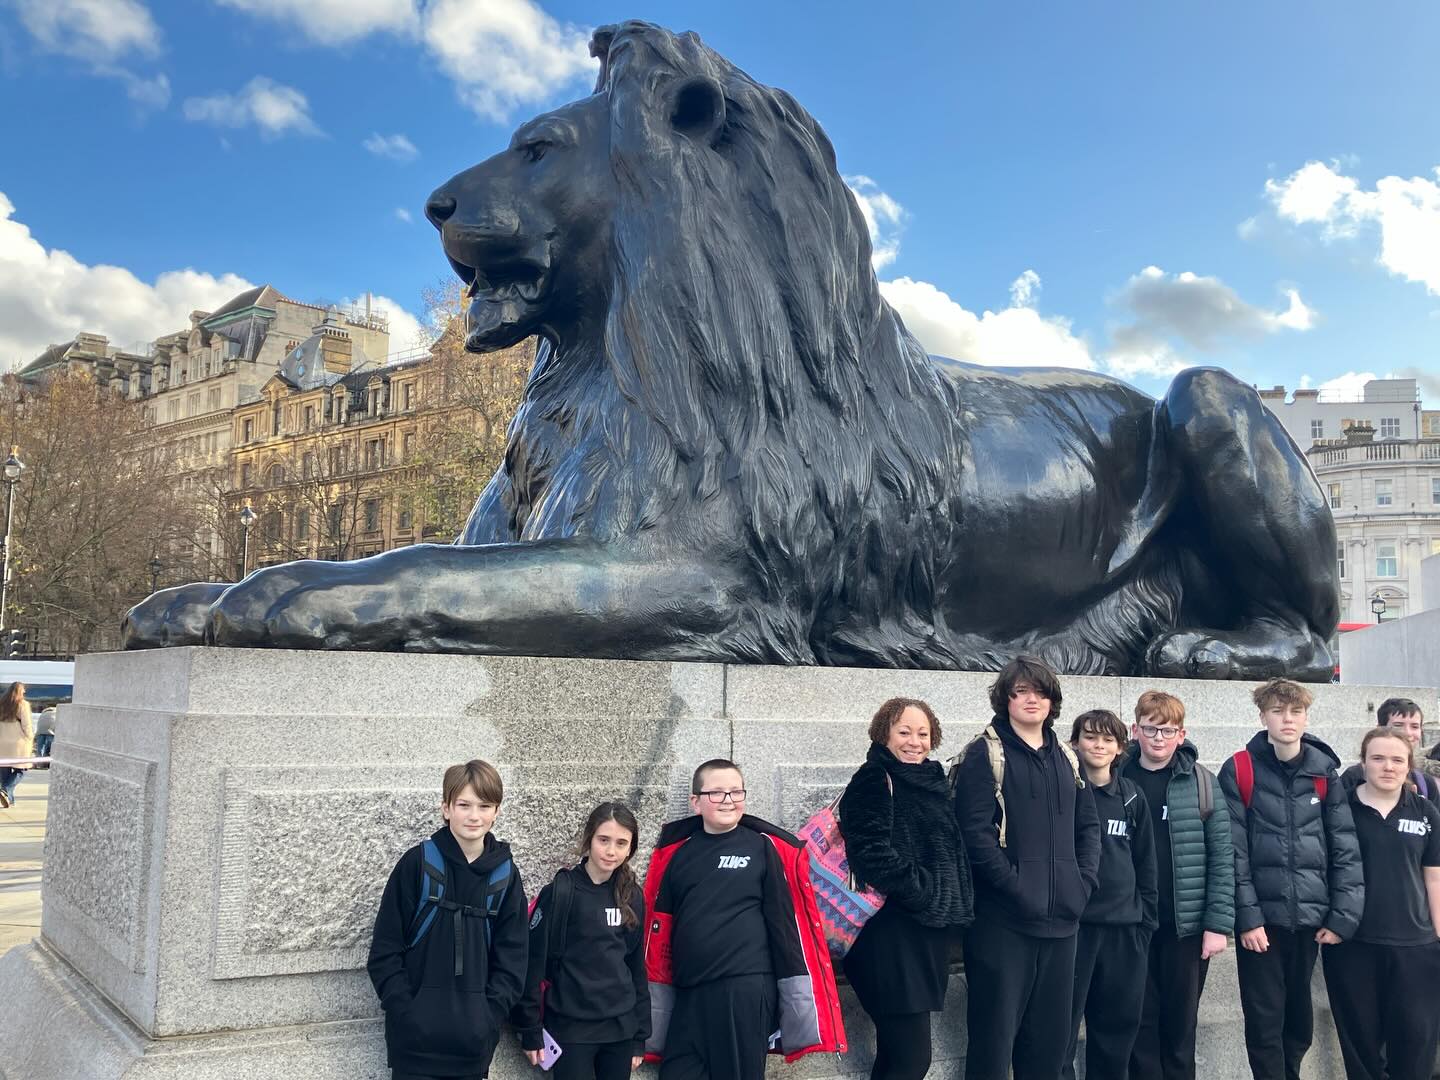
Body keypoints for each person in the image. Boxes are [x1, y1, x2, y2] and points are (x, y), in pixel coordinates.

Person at [642, 758, 843, 1079]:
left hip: (743, 990)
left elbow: (784, 928)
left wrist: (794, 1000)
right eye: (717, 793)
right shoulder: (678, 854)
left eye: (736, 792)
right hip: (689, 993)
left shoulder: (761, 849)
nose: (728, 800)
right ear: (695, 802)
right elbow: (661, 930)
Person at [953, 655, 1101, 1080]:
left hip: (1063, 925)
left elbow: (1089, 828)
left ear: (1052, 700)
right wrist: (1018, 889)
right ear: (1006, 699)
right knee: (993, 1045)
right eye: (1020, 691)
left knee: (1051, 1049)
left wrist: (1082, 883)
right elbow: (976, 837)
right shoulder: (985, 753)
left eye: (1039, 691)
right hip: (1004, 926)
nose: (1031, 699)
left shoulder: (1068, 759)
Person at [1219, 678, 1364, 1080]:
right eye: (1278, 711)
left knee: (1298, 1022)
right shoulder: (1240, 769)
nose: (1287, 719)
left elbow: (1344, 848)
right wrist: (1247, 918)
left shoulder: (1323, 772)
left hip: (1311, 921)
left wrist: (1341, 917)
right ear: (1263, 715)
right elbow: (1233, 850)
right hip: (1262, 924)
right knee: (1264, 1020)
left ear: (1305, 716)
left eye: (1295, 711)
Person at [838, 697, 973, 1080]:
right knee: (912, 1058)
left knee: (900, 1056)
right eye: (904, 732)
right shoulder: (873, 778)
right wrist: (926, 892)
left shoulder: (930, 781)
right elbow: (870, 853)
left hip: (921, 938)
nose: (914, 741)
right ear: (884, 734)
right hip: (888, 937)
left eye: (923, 733)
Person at [367, 759, 528, 1080]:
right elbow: (385, 952)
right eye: (464, 804)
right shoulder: (417, 864)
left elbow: (513, 962)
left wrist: (487, 1018)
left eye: (484, 805)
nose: (474, 815)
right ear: (446, 808)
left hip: (472, 1048)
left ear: (496, 811)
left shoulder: (506, 876)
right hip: (413, 1047)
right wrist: (405, 1012)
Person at [1120, 689, 1234, 1080]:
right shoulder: (1117, 776)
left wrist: (1217, 925)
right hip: (1132, 925)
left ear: (1181, 735)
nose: (1158, 739)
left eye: (1168, 731)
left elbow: (1222, 855)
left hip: (1184, 928)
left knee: (1180, 1026)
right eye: (1151, 729)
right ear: (1135, 730)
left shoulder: (1201, 782)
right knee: (1138, 1021)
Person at [1322, 727, 1440, 1080]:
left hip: (1416, 949)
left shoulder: (1425, 813)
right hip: (1353, 945)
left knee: (1415, 1045)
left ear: (1408, 766)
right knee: (1361, 1049)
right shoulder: (1340, 808)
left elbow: (1434, 878)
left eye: (1396, 759)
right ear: (1363, 762)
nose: (1387, 766)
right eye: (1378, 758)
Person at [514, 801, 649, 1079]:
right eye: (604, 840)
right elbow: (532, 963)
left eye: (622, 843)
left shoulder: (632, 896)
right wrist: (529, 1028)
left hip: (620, 1031)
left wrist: (640, 1035)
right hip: (571, 1030)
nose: (611, 851)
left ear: (630, 848)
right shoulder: (561, 892)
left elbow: (636, 966)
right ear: (589, 839)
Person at [1063, 709, 1158, 1080]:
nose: (1098, 745)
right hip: (1076, 930)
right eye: (1090, 737)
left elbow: (1146, 863)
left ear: (1120, 748)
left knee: (1116, 1033)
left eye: (1107, 739)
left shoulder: (1131, 797)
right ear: (1075, 742)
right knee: (1062, 1030)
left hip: (1124, 933)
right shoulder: (1064, 791)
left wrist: (1144, 922)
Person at [1340, 698, 1439, 802]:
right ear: (1380, 729)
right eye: (1398, 726)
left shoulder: (1426, 782)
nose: (1407, 733)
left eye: (1414, 726)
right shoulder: (1354, 775)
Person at [0, 682, 34, 808]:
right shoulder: (22, 704)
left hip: (2, 743)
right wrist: (30, 737)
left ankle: (9, 799)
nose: (24, 692)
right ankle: (5, 790)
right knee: (22, 769)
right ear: (19, 691)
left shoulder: (1, 704)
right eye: (23, 690)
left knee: (5, 771)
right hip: (18, 742)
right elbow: (26, 725)